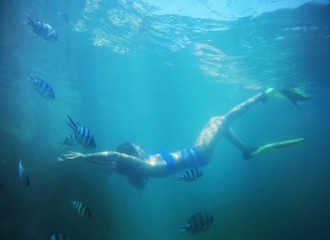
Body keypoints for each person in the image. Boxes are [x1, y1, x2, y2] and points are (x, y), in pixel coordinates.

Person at [58, 88, 308, 185]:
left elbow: (112, 162)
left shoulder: (135, 166)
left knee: (216, 123)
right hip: (199, 155)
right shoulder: (146, 165)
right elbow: (113, 155)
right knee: (221, 120)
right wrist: (80, 155)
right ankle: (261, 95)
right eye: (137, 147)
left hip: (197, 152)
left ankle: (246, 150)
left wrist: (85, 159)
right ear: (132, 154)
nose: (141, 146)